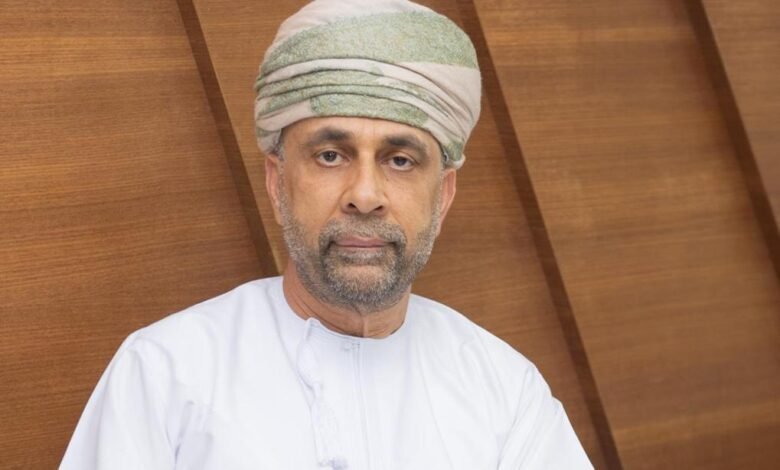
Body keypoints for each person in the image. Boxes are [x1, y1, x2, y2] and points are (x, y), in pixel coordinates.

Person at [60, 0, 593, 468]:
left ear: (443, 195)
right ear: (277, 182)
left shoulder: (505, 393)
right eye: (331, 155)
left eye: (400, 160)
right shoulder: (164, 374)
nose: (365, 194)